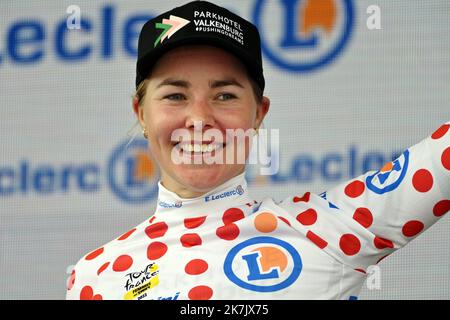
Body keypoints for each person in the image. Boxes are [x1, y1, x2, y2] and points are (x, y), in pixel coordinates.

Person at [66, 0, 449, 300]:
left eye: (225, 95)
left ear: (258, 114)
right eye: (175, 95)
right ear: (141, 113)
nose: (199, 118)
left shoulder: (325, 229)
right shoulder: (93, 276)